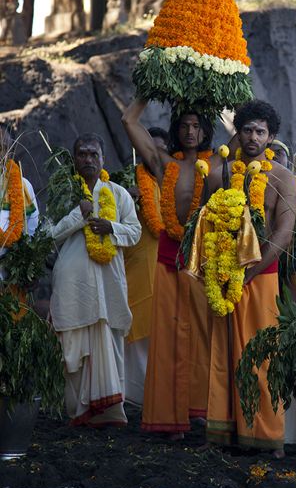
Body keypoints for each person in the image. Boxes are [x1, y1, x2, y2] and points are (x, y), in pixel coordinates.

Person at [122, 99, 228, 437]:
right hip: (169, 253)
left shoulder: (218, 164)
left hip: (203, 255)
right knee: (167, 336)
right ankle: (170, 418)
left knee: (204, 334)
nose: (190, 131)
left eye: (196, 125)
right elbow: (128, 120)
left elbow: (246, 133)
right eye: (184, 125)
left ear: (206, 129)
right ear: (175, 130)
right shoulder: (163, 163)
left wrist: (224, 92)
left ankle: (204, 410)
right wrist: (147, 92)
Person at [206, 100, 296, 457]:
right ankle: (226, 434)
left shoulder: (284, 178)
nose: (253, 137)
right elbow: (205, 222)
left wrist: (250, 273)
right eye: (247, 130)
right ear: (237, 132)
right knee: (225, 355)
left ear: (271, 136)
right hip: (225, 277)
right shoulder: (220, 174)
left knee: (262, 358)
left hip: (262, 279)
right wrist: (224, 271)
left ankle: (268, 437)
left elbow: (284, 233)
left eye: (261, 131)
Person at [49, 133, 141, 426]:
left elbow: (135, 232)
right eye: (82, 154)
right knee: (72, 345)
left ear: (104, 159)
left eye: (93, 154)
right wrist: (78, 215)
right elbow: (48, 235)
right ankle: (77, 411)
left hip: (107, 283)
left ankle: (108, 414)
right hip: (72, 284)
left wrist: (110, 227)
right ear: (74, 159)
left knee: (106, 338)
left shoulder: (117, 193)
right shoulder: (63, 193)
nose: (88, 159)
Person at [124, 127, 168, 405]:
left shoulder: (179, 181)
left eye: (160, 149)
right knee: (135, 328)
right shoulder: (126, 183)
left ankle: (160, 395)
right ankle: (136, 395)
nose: (153, 154)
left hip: (168, 264)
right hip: (136, 267)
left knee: (164, 332)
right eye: (149, 148)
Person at [0, 126, 39, 275]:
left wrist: (29, 267)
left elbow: (32, 229)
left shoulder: (22, 185)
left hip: (10, 275)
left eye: (3, 148)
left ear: (10, 152)